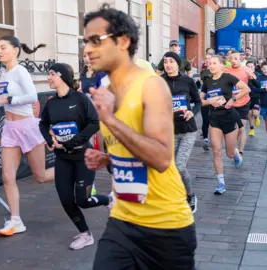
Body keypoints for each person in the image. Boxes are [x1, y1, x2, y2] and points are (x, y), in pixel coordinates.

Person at [81, 5, 196, 269]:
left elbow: (160, 158)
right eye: (86, 41)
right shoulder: (106, 90)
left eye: (95, 41)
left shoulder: (151, 86)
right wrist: (107, 158)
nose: (87, 49)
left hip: (165, 227)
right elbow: (130, 149)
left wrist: (110, 120)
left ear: (122, 42)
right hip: (123, 220)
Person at [0, 35, 55, 236]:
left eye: (3, 47)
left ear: (15, 50)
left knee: (40, 176)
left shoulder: (20, 71)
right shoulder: (3, 73)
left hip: (27, 127)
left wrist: (9, 98)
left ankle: (72, 168)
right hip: (10, 129)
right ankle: (16, 220)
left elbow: (31, 96)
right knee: (7, 176)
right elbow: (4, 98)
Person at [39, 63, 113, 250]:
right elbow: (42, 124)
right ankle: (85, 234)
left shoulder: (80, 99)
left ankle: (110, 200)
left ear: (62, 76)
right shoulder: (51, 103)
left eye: (52, 74)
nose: (48, 77)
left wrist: (72, 141)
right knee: (65, 199)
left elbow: (94, 123)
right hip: (63, 158)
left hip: (83, 156)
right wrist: (49, 140)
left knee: (83, 200)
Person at [200, 55, 250, 194]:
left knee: (229, 152)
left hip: (229, 117)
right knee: (216, 151)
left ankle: (235, 155)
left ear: (222, 65)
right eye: (209, 64)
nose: (211, 66)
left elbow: (246, 89)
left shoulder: (228, 77)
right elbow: (201, 100)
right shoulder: (207, 81)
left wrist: (232, 99)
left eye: (214, 63)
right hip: (214, 119)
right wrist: (210, 102)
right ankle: (221, 183)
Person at [161, 52, 201, 213]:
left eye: (171, 61)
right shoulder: (159, 82)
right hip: (168, 131)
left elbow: (197, 101)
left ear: (178, 64)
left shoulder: (188, 81)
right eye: (165, 62)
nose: (168, 64)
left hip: (187, 130)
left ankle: (190, 195)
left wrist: (193, 112)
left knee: (179, 166)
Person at [225, 51, 253, 158]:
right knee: (234, 128)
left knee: (241, 128)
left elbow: (256, 82)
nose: (233, 61)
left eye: (236, 58)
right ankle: (233, 148)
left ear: (240, 59)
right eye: (231, 59)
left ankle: (240, 153)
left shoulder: (246, 69)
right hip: (231, 103)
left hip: (244, 102)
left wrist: (251, 77)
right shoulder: (226, 71)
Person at [200, 53, 213, 150]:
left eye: (209, 58)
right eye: (206, 58)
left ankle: (213, 138)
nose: (207, 60)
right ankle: (205, 139)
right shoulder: (203, 72)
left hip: (215, 98)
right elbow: (201, 84)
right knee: (205, 119)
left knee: (212, 120)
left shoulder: (218, 71)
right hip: (204, 97)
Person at [245, 61, 261, 136]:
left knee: (254, 113)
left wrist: (252, 78)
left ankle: (257, 117)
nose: (250, 68)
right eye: (248, 66)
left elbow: (258, 85)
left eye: (251, 66)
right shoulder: (244, 75)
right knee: (249, 113)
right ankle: (251, 128)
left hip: (255, 97)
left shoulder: (257, 75)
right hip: (247, 97)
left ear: (254, 67)